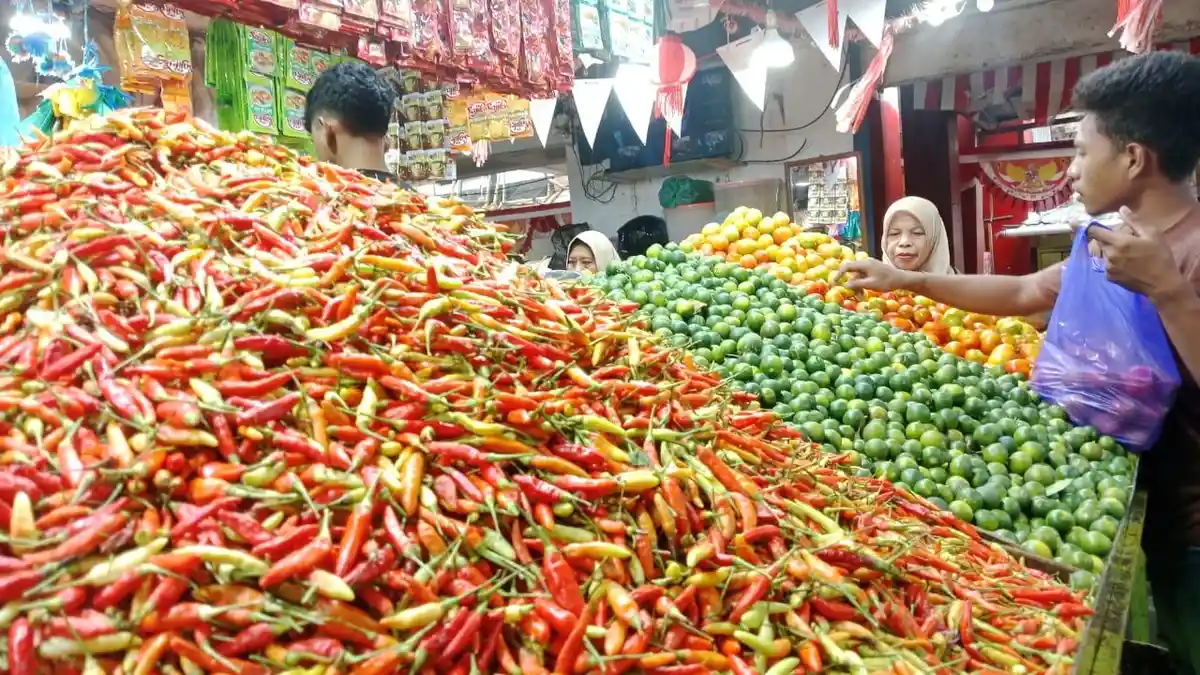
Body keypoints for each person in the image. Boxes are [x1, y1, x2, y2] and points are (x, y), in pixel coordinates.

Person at [840, 50, 1200, 674]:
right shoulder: (1104, 242)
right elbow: (1024, 294)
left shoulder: (1189, 250)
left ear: (1134, 157)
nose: (1073, 169)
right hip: (1139, 501)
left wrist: (1169, 291)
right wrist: (906, 280)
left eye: (1084, 152)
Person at [304, 61, 400, 183]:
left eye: (313, 141)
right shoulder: (420, 200)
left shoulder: (318, 198)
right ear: (387, 141)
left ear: (327, 133)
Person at [880, 196, 955, 274]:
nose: (904, 243)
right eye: (894, 234)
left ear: (934, 238)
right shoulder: (871, 284)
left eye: (917, 233)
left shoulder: (957, 285)